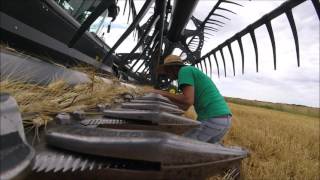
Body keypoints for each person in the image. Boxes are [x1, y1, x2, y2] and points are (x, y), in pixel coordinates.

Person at [150, 55, 232, 143]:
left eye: (167, 71)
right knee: (201, 153)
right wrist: (166, 105)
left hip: (212, 118)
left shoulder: (184, 71)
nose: (167, 75)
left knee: (181, 146)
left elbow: (188, 100)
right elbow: (185, 106)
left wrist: (161, 93)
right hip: (224, 119)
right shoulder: (190, 71)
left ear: (173, 68)